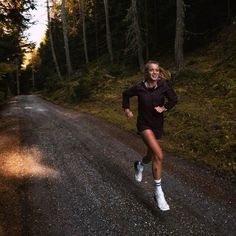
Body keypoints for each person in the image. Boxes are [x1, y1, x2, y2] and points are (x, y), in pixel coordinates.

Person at [122, 60, 177, 211]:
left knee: (150, 155)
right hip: (144, 124)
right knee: (159, 155)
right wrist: (127, 109)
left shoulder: (163, 85)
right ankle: (158, 192)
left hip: (157, 125)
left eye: (157, 70)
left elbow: (174, 99)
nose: (155, 72)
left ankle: (139, 165)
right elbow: (125, 94)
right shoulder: (139, 87)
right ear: (146, 73)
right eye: (151, 70)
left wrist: (164, 107)